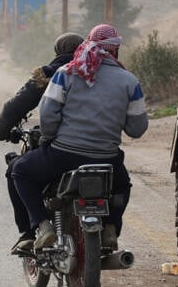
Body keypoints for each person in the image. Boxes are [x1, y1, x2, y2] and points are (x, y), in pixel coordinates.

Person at [11, 24, 148, 252]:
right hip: (107, 159)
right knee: (123, 186)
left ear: (89, 45)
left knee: (20, 171)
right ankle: (110, 227)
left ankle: (43, 226)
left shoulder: (67, 73)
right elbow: (137, 128)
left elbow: (47, 116)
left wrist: (51, 137)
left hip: (63, 155)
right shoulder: (129, 81)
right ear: (115, 51)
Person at [0, 32, 84, 252]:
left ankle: (30, 232)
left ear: (57, 52)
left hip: (61, 148)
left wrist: (1, 131)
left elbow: (15, 106)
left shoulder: (51, 74)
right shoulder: (98, 72)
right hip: (100, 149)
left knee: (17, 169)